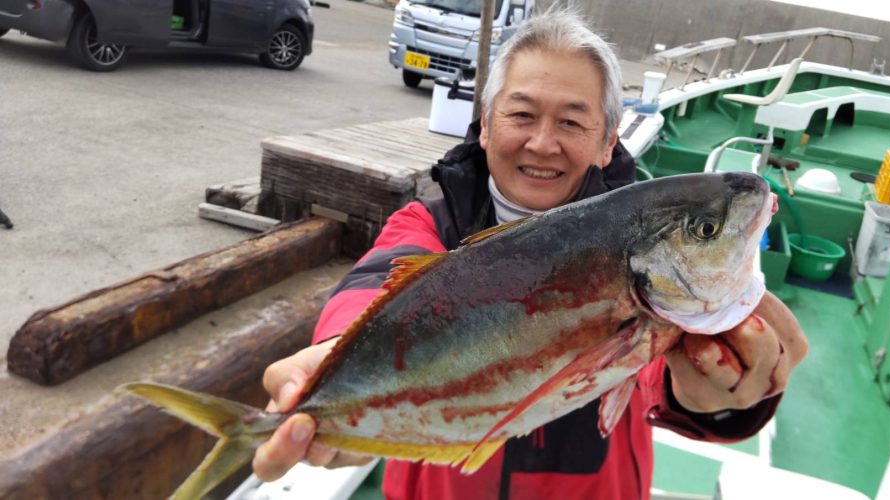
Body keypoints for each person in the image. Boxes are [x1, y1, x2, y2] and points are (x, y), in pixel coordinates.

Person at [252, 10, 807, 500]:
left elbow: (661, 379)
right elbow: (373, 285)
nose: (543, 143)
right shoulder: (429, 223)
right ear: (487, 124)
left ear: (608, 139)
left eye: (571, 121)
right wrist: (329, 361)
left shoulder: (646, 252)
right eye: (521, 115)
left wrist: (724, 395)